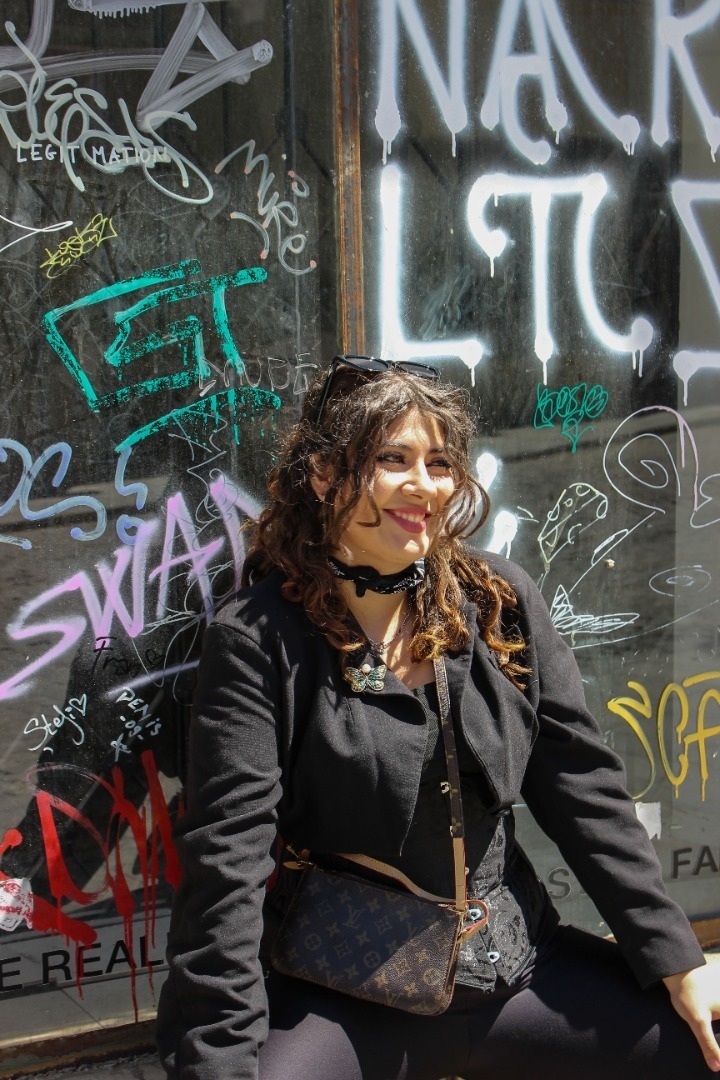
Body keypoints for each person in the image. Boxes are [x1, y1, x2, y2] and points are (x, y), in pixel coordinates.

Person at [156, 356, 720, 1080]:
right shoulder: (260, 638)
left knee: (704, 1046)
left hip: (521, 971)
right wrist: (221, 1059)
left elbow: (584, 790)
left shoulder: (496, 601)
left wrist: (676, 960)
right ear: (324, 474)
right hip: (348, 995)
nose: (425, 484)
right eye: (393, 460)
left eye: (441, 462)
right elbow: (226, 867)